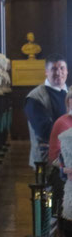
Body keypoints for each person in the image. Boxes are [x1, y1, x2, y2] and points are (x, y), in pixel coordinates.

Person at [25, 54, 68, 168]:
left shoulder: (69, 94)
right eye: (54, 69)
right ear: (46, 72)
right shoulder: (35, 97)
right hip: (47, 159)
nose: (58, 73)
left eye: (62, 68)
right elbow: (45, 130)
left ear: (67, 71)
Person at [49, 90, 72, 235]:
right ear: (68, 102)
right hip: (64, 177)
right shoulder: (62, 122)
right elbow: (54, 157)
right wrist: (66, 168)